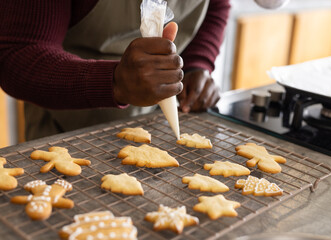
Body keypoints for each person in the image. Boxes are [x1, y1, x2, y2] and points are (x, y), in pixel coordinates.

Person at [0, 0, 231, 141]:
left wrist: (197, 63)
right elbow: (19, 52)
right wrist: (114, 82)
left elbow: (215, 6)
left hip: (161, 131)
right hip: (66, 131)